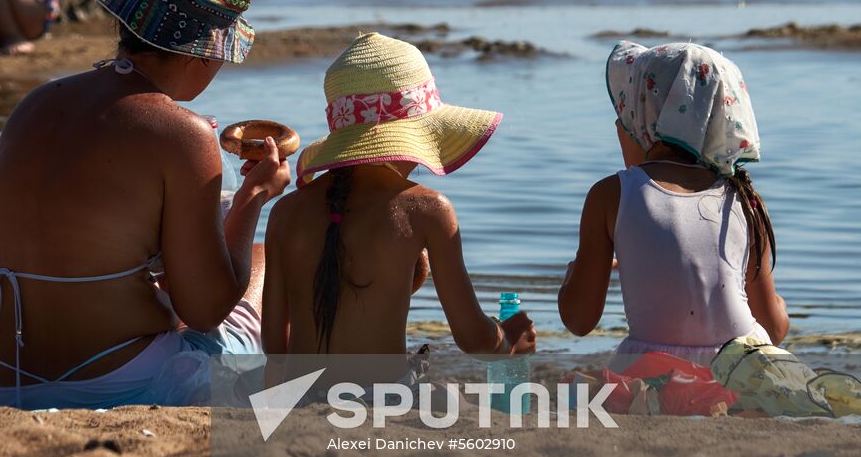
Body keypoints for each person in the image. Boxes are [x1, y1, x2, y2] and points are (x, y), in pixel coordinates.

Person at [0, 0, 288, 409]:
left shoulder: (36, 103)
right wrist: (253, 198)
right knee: (265, 260)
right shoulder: (183, 133)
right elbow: (204, 312)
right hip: (121, 384)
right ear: (203, 50)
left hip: (5, 382)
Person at [262, 33, 535, 363]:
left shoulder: (285, 211)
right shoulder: (428, 210)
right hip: (380, 399)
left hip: (299, 395)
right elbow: (473, 338)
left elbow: (275, 346)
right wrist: (508, 342)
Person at [559, 41, 788, 367]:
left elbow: (578, 320)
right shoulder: (743, 196)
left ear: (642, 118)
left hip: (653, 374)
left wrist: (574, 275)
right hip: (739, 373)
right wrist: (778, 304)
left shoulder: (609, 195)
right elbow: (774, 329)